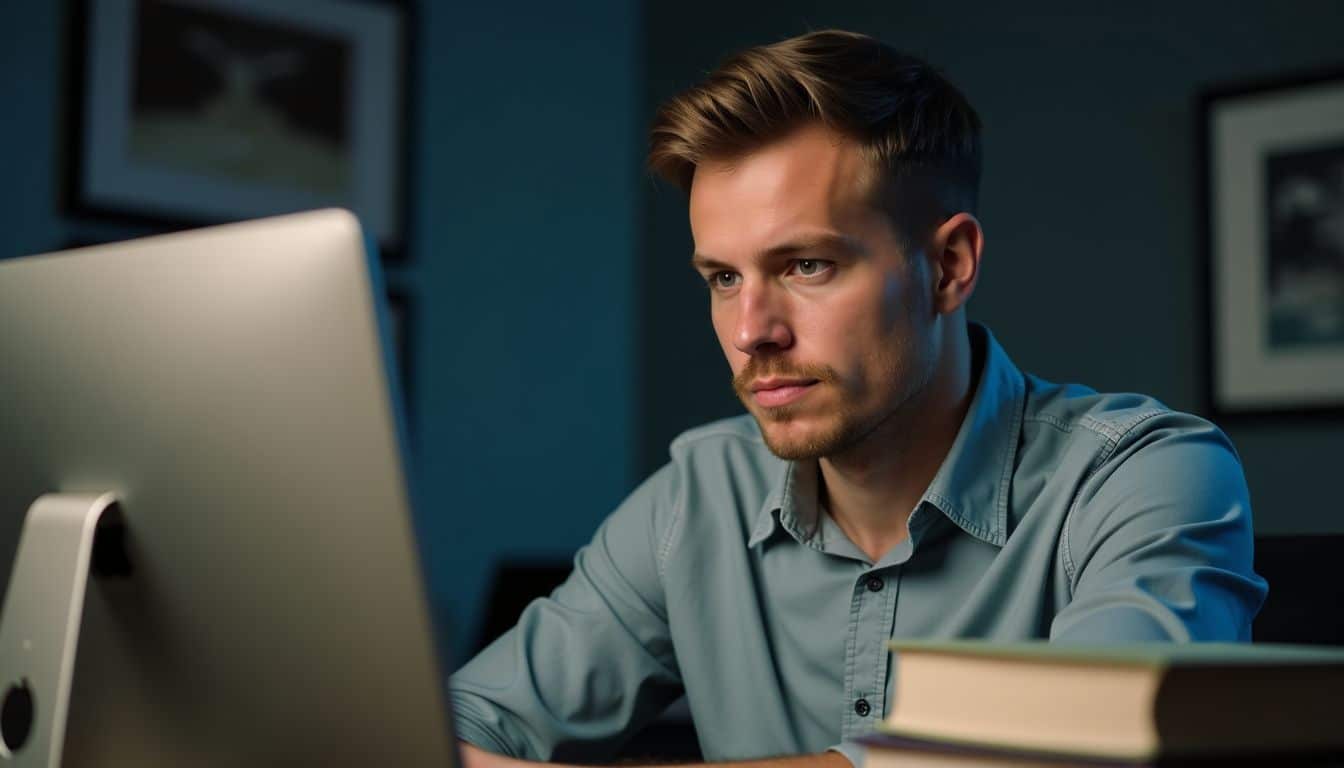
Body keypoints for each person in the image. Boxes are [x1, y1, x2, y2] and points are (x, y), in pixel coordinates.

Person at [450, 29, 1268, 768]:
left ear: (947, 266)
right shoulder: (696, 495)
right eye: (723, 278)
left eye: (807, 266)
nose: (750, 331)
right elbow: (464, 727)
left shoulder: (1143, 476)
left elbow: (1086, 755)